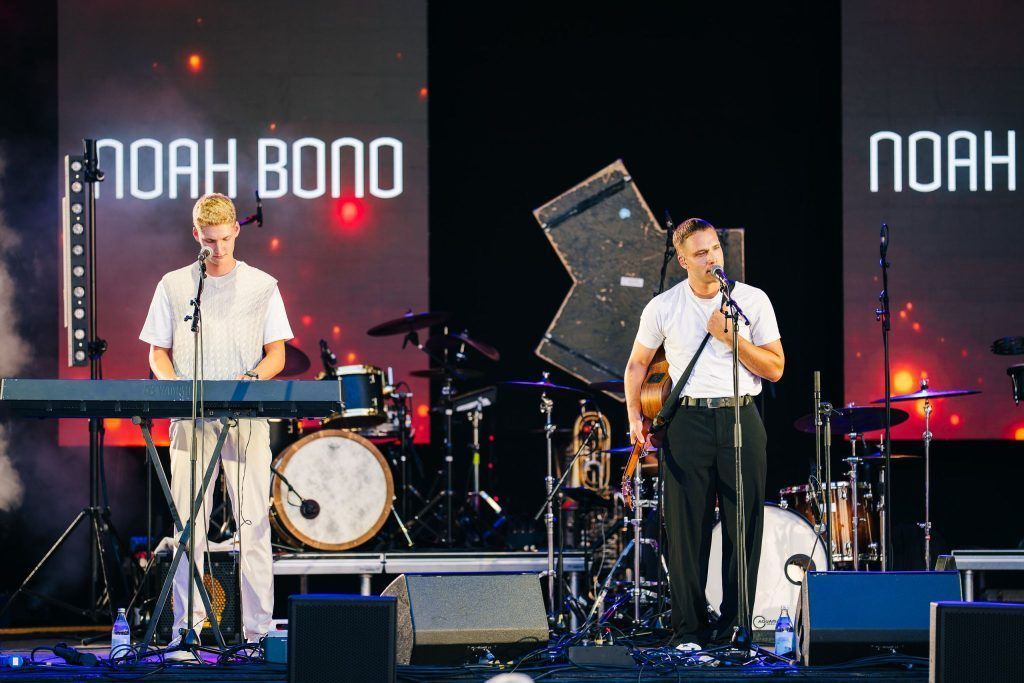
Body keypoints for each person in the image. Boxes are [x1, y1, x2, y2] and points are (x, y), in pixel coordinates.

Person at [140, 193, 293, 646]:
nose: (219, 249)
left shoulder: (262, 285)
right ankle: (186, 631)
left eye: (225, 239)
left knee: (253, 524)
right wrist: (176, 387)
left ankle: (258, 633)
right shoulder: (174, 284)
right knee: (189, 526)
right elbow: (158, 352)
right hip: (191, 417)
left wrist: (253, 377)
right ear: (196, 235)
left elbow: (277, 354)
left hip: (245, 417)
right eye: (210, 241)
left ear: (236, 231)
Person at [623, 218, 784, 649]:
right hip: (688, 421)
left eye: (715, 248)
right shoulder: (664, 306)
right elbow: (637, 364)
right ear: (683, 260)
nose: (712, 258)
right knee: (686, 531)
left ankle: (735, 629)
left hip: (741, 416)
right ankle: (689, 632)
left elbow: (775, 368)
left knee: (743, 528)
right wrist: (634, 415)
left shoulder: (752, 300)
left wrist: (733, 339)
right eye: (701, 253)